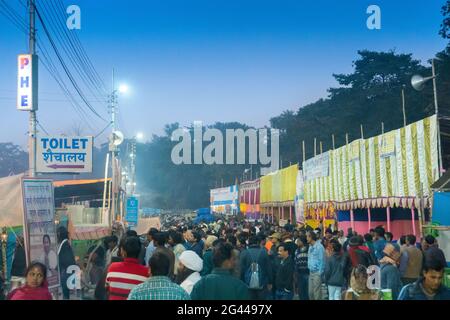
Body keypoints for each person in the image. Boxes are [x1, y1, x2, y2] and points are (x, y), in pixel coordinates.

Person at [239, 235, 272, 300]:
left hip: (247, 283)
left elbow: (241, 269)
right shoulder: (264, 252)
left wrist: (241, 282)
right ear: (258, 242)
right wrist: (270, 282)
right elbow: (269, 268)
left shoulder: (244, 253)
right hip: (262, 283)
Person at [57, 226, 76, 300]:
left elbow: (67, 261)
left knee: (65, 295)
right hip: (66, 274)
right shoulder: (64, 244)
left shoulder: (65, 246)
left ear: (59, 235)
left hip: (66, 274)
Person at [307, 231, 325, 300]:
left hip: (317, 272)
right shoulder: (310, 247)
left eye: (307, 236)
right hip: (311, 272)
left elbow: (322, 260)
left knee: (317, 294)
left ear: (311, 237)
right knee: (310, 293)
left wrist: (320, 273)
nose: (306, 238)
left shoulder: (319, 247)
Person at [294, 235, 309, 300]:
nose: (297, 242)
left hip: (308, 273)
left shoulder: (309, 249)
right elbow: (296, 262)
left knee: (307, 292)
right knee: (301, 292)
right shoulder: (297, 251)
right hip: (300, 273)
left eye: (299, 241)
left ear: (302, 242)